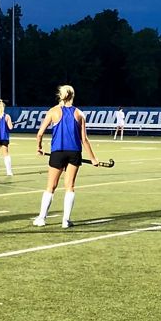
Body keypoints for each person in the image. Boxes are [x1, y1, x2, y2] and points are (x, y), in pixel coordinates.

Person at [33, 84, 102, 228]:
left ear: (60, 95)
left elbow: (39, 134)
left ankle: (41, 218)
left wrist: (39, 147)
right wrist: (93, 158)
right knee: (69, 186)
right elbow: (84, 140)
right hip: (74, 153)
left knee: (50, 187)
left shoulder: (53, 111)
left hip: (57, 152)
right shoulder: (79, 114)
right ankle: (66, 220)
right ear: (72, 96)